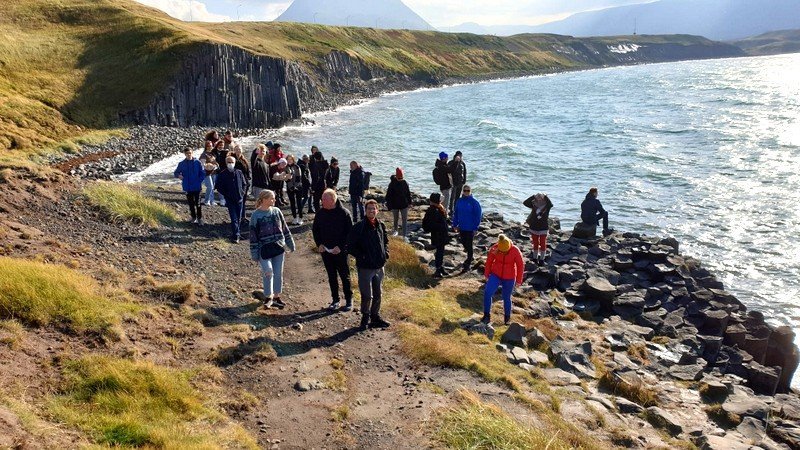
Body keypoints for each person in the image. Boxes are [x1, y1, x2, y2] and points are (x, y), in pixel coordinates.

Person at [347, 199, 390, 331]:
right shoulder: (359, 227)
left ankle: (375, 317)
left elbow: (386, 241)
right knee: (367, 295)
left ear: (377, 210)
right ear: (365, 211)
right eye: (369, 209)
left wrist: (386, 253)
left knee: (378, 294)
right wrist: (362, 256)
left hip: (379, 266)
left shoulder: (381, 225)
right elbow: (350, 246)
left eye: (374, 208)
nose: (372, 211)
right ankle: (365, 318)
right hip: (365, 267)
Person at [250, 190, 295, 309]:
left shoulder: (277, 211)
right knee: (268, 272)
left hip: (278, 247)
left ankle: (276, 297)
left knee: (278, 273)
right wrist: (254, 254)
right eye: (272, 198)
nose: (274, 200)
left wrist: (291, 244)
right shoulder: (255, 215)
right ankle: (268, 297)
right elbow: (253, 236)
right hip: (263, 249)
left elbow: (285, 229)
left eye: (274, 198)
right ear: (264, 199)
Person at [313, 189, 354, 311]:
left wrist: (341, 247)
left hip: (340, 251)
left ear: (332, 200)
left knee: (344, 275)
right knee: (331, 275)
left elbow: (350, 233)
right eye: (322, 199)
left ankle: (349, 300)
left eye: (324, 199)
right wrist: (319, 244)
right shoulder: (320, 213)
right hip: (325, 250)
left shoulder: (344, 213)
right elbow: (315, 230)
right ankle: (335, 300)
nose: (321, 201)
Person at [482, 234, 524, 325]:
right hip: (495, 274)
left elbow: (520, 265)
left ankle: (507, 318)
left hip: (509, 277)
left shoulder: (515, 250)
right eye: (502, 251)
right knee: (487, 292)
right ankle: (486, 315)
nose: (503, 253)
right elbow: (489, 261)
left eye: (505, 251)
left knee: (506, 297)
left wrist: (519, 280)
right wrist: (486, 274)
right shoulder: (495, 248)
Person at [215, 156, 248, 243]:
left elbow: (244, 184)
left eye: (232, 162)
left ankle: (238, 233)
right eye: (229, 162)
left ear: (235, 163)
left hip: (240, 199)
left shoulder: (239, 172)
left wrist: (242, 193)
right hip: (230, 200)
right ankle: (236, 235)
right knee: (234, 218)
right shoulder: (223, 174)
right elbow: (218, 186)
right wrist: (226, 195)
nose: (230, 164)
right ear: (226, 163)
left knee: (239, 217)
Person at [452, 185, 482, 272]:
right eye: (465, 190)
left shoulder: (474, 202)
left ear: (470, 191)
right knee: (464, 243)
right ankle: (470, 257)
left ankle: (468, 262)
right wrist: (455, 224)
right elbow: (456, 213)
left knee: (469, 245)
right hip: (462, 227)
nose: (466, 192)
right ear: (462, 191)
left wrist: (476, 227)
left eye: (468, 191)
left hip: (470, 228)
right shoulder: (459, 201)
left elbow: (478, 216)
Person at [173, 147, 206, 224]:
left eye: (190, 153)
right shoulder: (181, 164)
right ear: (185, 154)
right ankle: (193, 217)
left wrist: (199, 181)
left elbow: (203, 173)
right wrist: (179, 176)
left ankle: (200, 218)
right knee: (191, 204)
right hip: (187, 187)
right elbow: (176, 173)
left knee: (198, 203)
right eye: (187, 153)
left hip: (197, 187)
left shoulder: (198, 162)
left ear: (192, 153)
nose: (189, 155)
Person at [421, 192, 449, 278]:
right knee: (440, 252)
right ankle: (438, 269)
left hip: (441, 233)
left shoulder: (438, 208)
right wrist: (441, 226)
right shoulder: (434, 210)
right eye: (440, 199)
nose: (441, 200)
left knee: (441, 251)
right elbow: (431, 224)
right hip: (438, 234)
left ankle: (440, 268)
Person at [523, 193, 553, 265]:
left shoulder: (547, 206)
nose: (539, 198)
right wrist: (533, 196)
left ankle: (542, 259)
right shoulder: (533, 204)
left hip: (543, 228)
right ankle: (535, 258)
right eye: (538, 197)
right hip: (534, 227)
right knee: (535, 243)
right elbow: (525, 202)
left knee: (543, 243)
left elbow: (551, 204)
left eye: (541, 197)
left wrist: (545, 196)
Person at [385, 167, 411, 238]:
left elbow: (408, 194)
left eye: (401, 178)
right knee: (395, 219)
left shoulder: (405, 183)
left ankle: (404, 235)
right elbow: (388, 195)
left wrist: (409, 203)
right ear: (396, 176)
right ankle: (395, 232)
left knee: (404, 220)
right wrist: (389, 205)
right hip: (394, 205)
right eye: (399, 178)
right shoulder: (392, 184)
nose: (400, 179)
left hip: (404, 205)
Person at [232, 145, 251, 222]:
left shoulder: (244, 160)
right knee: (238, 200)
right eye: (236, 149)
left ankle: (243, 216)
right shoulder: (233, 160)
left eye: (239, 149)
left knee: (243, 200)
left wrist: (248, 179)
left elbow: (247, 170)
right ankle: (238, 216)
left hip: (245, 183)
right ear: (234, 150)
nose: (238, 151)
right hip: (236, 182)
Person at [285, 155, 306, 225]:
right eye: (288, 159)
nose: (289, 161)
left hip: (298, 187)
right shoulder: (286, 168)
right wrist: (291, 187)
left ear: (293, 160)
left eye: (291, 159)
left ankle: (300, 217)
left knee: (299, 203)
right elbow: (286, 179)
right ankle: (294, 217)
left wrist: (295, 186)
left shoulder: (297, 167)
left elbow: (298, 178)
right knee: (292, 203)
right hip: (289, 187)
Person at [199, 141, 218, 206]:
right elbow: (202, 164)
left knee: (212, 187)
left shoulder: (212, 154)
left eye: (211, 146)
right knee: (210, 186)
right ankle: (206, 200)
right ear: (206, 146)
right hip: (206, 173)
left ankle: (212, 200)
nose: (210, 147)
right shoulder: (204, 154)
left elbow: (215, 163)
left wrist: (215, 166)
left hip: (213, 172)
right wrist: (208, 166)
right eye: (208, 146)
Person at [448, 151, 467, 215]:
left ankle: (456, 209)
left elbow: (464, 172)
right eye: (459, 156)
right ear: (455, 156)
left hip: (460, 182)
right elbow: (448, 172)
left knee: (458, 197)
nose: (460, 157)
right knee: (452, 197)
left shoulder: (462, 163)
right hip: (453, 182)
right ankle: (450, 209)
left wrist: (464, 180)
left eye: (461, 156)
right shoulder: (451, 162)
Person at [213, 139, 228, 206]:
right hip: (214, 171)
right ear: (217, 145)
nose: (221, 146)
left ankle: (222, 199)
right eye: (219, 145)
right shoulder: (213, 151)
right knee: (213, 185)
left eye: (222, 145)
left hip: (222, 171)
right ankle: (211, 199)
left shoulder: (225, 152)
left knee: (221, 186)